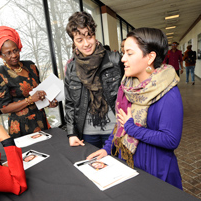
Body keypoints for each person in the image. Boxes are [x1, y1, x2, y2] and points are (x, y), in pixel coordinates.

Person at [87, 27, 183, 189]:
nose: (123, 58)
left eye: (129, 53)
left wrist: (132, 128)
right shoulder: (128, 86)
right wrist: (107, 149)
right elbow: (120, 124)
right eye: (124, 52)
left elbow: (171, 140)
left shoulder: (168, 93)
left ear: (150, 57)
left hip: (155, 169)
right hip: (128, 161)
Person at [64, 11, 124, 148]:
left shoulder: (115, 60)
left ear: (94, 35)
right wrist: (71, 133)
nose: (86, 44)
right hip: (86, 132)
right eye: (79, 40)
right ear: (74, 42)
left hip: (114, 129)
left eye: (89, 36)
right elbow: (69, 104)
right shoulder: (72, 68)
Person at [0, 26, 57, 138]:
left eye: (15, 50)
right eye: (8, 53)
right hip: (21, 125)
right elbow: (5, 108)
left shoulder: (30, 66)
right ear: (1, 55)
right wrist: (30, 99)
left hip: (40, 118)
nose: (13, 55)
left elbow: (38, 91)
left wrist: (48, 101)